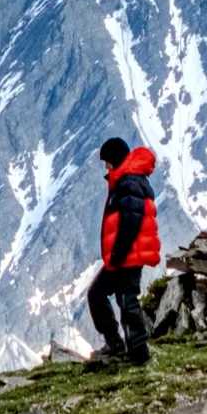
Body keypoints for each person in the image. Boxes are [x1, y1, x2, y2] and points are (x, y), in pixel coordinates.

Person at [87, 137, 160, 365]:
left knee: (127, 302)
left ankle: (138, 354)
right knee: (98, 294)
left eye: (107, 162)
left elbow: (131, 223)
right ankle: (116, 343)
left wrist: (118, 253)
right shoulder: (125, 182)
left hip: (128, 256)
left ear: (115, 160)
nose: (106, 167)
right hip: (123, 256)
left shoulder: (129, 183)